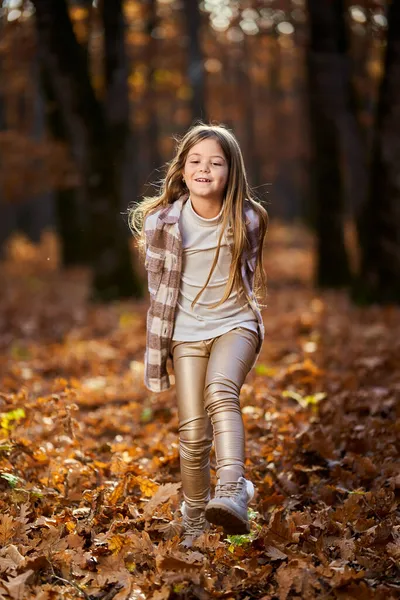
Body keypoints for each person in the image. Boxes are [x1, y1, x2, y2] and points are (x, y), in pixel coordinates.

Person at [129, 123, 268, 545]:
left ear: (232, 172)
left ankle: (232, 488)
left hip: (235, 324)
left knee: (221, 392)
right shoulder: (161, 222)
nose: (204, 168)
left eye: (216, 162)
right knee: (192, 433)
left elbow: (246, 273)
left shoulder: (249, 219)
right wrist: (163, 343)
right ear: (182, 169)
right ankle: (194, 518)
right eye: (195, 161)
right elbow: (159, 292)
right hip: (186, 333)